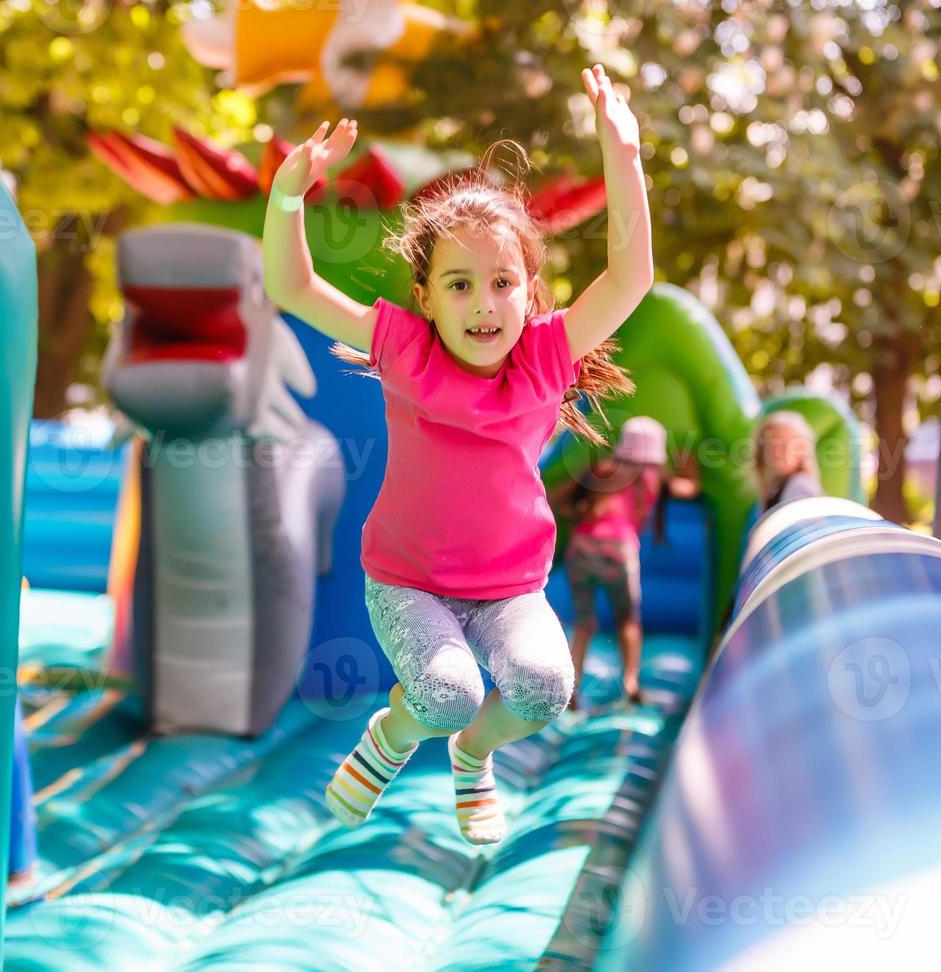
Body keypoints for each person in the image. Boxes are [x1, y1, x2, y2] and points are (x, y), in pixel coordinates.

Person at [262, 65, 653, 845]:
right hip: (409, 583)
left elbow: (629, 275)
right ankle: (393, 737)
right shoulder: (404, 349)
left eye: (502, 282)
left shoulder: (546, 356)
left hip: (509, 587)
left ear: (529, 290)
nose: (483, 303)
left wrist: (625, 157)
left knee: (545, 689)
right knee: (444, 694)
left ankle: (474, 757)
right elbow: (292, 286)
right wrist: (287, 196)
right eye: (461, 285)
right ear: (428, 297)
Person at [549, 417, 699, 712]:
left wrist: (576, 509)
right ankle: (631, 683)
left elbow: (556, 498)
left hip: (583, 548)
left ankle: (572, 690)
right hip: (619, 549)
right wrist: (689, 470)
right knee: (628, 621)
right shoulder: (655, 477)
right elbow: (689, 490)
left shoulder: (603, 469)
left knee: (583, 623)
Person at [754, 411, 824, 512]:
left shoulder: (799, 485)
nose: (776, 452)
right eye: (770, 446)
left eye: (784, 446)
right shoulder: (773, 490)